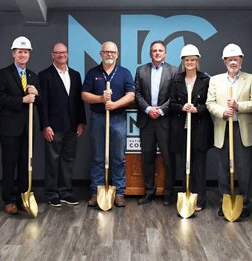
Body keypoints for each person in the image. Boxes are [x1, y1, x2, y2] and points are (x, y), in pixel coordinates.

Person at [206, 43, 252, 219]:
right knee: (223, 168)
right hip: (223, 127)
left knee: (244, 169)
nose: (233, 62)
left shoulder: (251, 79)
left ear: (241, 60)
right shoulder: (215, 80)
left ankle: (244, 203)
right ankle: (226, 201)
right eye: (229, 59)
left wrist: (238, 106)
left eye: (236, 59)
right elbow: (210, 103)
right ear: (224, 61)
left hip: (242, 129)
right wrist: (222, 112)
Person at [81, 41, 135, 208]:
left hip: (118, 118)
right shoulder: (92, 73)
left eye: (112, 52)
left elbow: (131, 95)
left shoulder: (124, 73)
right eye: (106, 52)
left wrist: (114, 104)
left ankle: (119, 193)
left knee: (118, 157)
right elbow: (84, 95)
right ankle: (96, 192)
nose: (109, 54)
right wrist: (100, 99)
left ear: (117, 54)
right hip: (98, 117)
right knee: (97, 157)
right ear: (101, 54)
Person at [0, 36, 39, 215]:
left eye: (25, 52)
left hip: (27, 128)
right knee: (9, 164)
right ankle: (9, 199)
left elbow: (39, 101)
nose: (22, 54)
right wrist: (22, 99)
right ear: (13, 54)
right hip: (9, 128)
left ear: (29, 54)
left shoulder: (33, 76)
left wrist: (37, 94)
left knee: (24, 163)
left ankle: (22, 198)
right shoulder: (3, 74)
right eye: (19, 51)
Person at [37, 42, 85, 207]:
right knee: (52, 160)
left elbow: (79, 101)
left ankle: (65, 192)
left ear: (68, 54)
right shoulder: (44, 75)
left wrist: (81, 122)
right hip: (53, 126)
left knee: (68, 160)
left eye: (64, 52)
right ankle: (52, 193)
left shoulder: (76, 75)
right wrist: (45, 125)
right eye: (58, 53)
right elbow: (41, 103)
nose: (61, 55)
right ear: (52, 55)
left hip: (72, 126)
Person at [134, 40, 177, 206]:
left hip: (164, 121)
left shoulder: (173, 71)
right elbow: (136, 93)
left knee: (168, 159)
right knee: (147, 159)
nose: (157, 53)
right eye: (154, 50)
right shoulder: (141, 70)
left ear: (165, 53)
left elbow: (174, 96)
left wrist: (159, 110)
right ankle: (149, 192)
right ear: (150, 53)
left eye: (160, 50)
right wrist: (148, 109)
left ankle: (168, 194)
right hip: (146, 121)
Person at [168, 44, 211, 211]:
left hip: (199, 129)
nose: (190, 63)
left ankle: (199, 199)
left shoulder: (205, 80)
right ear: (183, 61)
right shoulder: (176, 79)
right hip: (182, 128)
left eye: (193, 60)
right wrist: (181, 108)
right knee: (186, 163)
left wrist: (197, 109)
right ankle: (187, 193)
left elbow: (210, 104)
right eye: (187, 60)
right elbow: (171, 103)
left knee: (199, 165)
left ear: (197, 61)